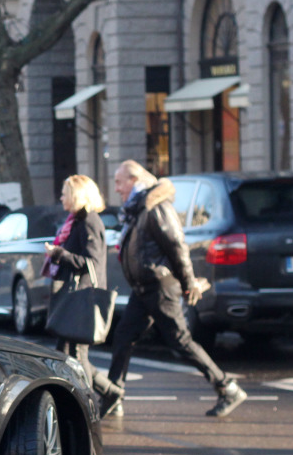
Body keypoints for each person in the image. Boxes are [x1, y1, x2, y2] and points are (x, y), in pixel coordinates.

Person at [102, 160, 246, 418]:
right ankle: (114, 394)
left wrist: (189, 283)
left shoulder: (156, 208)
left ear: (134, 180)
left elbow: (177, 247)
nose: (116, 188)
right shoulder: (138, 209)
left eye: (119, 182)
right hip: (142, 288)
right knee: (123, 337)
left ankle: (227, 387)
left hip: (159, 286)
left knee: (180, 341)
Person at [44, 175, 122, 404]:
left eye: (65, 193)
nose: (61, 197)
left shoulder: (89, 221)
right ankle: (110, 393)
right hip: (74, 295)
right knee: (68, 353)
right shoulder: (76, 221)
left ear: (77, 195)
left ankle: (88, 405)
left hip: (83, 296)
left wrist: (59, 254)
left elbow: (93, 261)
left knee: (76, 355)